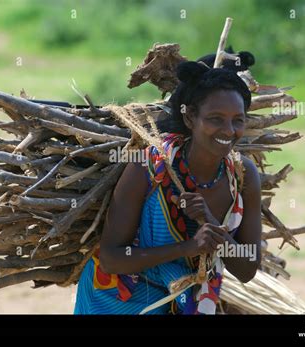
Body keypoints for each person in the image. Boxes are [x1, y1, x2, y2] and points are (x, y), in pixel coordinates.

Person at [74, 61, 261, 314]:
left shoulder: (242, 175)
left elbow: (247, 269)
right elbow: (110, 259)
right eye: (216, 119)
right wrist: (188, 248)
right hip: (117, 298)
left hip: (186, 301)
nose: (228, 131)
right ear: (190, 117)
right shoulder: (149, 167)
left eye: (238, 120)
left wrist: (209, 221)